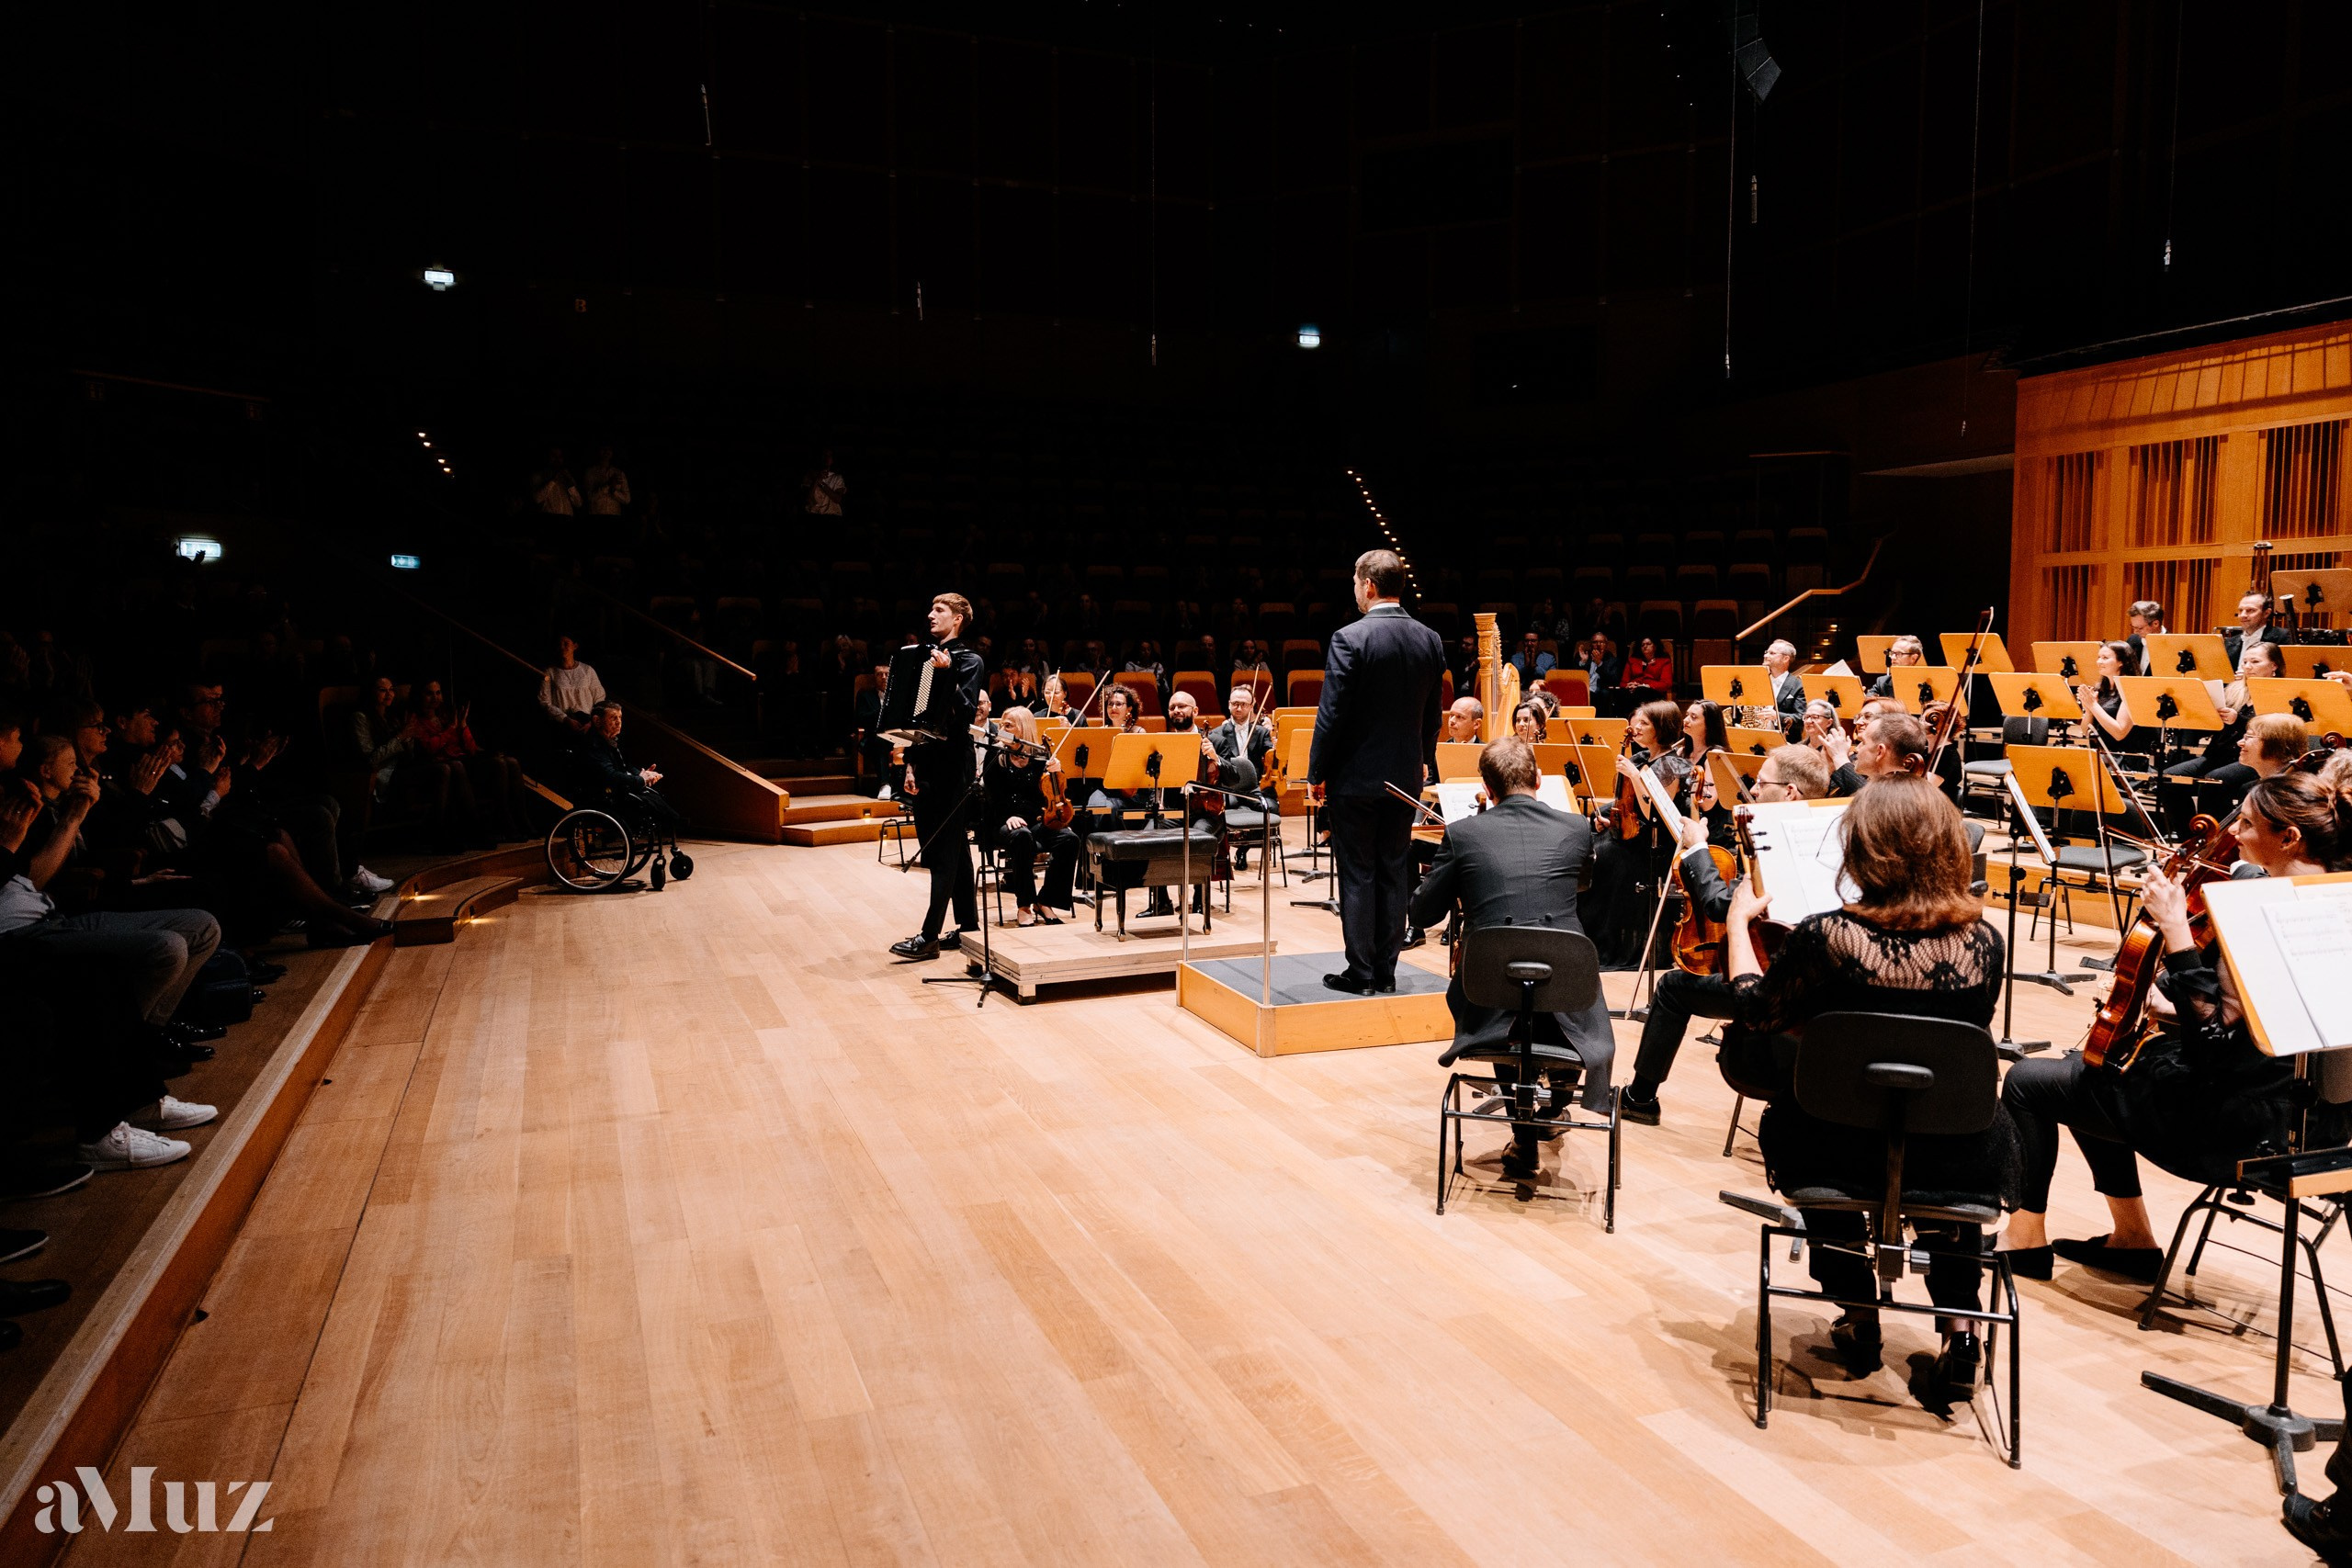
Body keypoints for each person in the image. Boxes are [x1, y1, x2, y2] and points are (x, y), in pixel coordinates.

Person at [1998, 771, 2352, 1287]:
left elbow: (2215, 1050)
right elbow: (2257, 1021)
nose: (2233, 835)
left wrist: (2176, 931)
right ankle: (2132, 1240)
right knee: (2091, 1068)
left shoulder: (2264, 911)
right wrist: (2170, 1005)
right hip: (2324, 1123)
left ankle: (2024, 1242)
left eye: (2247, 824)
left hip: (2240, 1131)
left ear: (2289, 837)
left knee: (2029, 1081)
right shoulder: (2334, 901)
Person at [1723, 777, 2014, 1396]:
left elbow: (1754, 1010)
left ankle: (1859, 1314)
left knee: (1803, 1114)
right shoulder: (1986, 944)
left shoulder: (1825, 937)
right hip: (1954, 1150)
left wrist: (1737, 926)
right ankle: (1962, 1327)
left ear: (1862, 849)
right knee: (1954, 1133)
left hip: (1835, 1146)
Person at [1408, 738, 1617, 1180]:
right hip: (1568, 989)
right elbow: (1582, 884)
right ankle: (1555, 1107)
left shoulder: (1463, 834)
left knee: (1500, 979)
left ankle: (1524, 1136)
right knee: (1551, 974)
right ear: (1538, 779)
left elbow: (1423, 914)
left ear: (1486, 787)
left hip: (1490, 995)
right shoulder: (1577, 828)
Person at [1618, 742, 1830, 1125]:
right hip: (1825, 988)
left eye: (1761, 783)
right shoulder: (1830, 836)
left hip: (1776, 990)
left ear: (1789, 792)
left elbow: (1721, 907)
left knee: (1672, 989)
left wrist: (1698, 848)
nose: (1753, 790)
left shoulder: (1775, 844)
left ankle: (1640, 1099)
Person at [1305, 550, 1447, 996]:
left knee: (1358, 872)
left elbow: (1332, 714)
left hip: (1356, 778)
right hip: (1405, 777)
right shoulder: (1430, 639)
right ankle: (1386, 972)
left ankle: (1362, 973)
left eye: (1355, 582)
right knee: (1393, 870)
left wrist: (1316, 771)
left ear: (1368, 585)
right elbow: (1433, 715)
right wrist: (1423, 759)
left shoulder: (1350, 638)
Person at [889, 594, 986, 962]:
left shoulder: (969, 660)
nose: (931, 615)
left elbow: (965, 714)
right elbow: (916, 719)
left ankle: (929, 936)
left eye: (940, 610)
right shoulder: (925, 658)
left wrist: (946, 675)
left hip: (952, 763)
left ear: (958, 619)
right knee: (953, 846)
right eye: (931, 609)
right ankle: (969, 927)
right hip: (926, 760)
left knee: (942, 850)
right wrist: (910, 763)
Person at [1581, 699, 1692, 967]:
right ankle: (1589, 942)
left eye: (1645, 723)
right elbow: (1626, 804)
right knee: (1588, 849)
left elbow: (1654, 810)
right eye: (1636, 721)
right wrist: (1608, 819)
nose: (1636, 727)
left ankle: (1610, 945)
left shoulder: (1673, 764)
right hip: (1632, 836)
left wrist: (1634, 775)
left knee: (1601, 859)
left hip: (1654, 845)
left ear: (1661, 728)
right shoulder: (1642, 758)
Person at [2158, 637, 2282, 834]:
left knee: (2214, 781)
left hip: (2253, 758)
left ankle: (2215, 840)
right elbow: (2214, 729)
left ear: (2274, 665)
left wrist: (2238, 720)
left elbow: (2272, 732)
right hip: (2219, 754)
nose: (2248, 666)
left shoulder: (2279, 693)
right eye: (2245, 662)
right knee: (2169, 778)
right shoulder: (2233, 690)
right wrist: (2203, 716)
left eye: (2255, 662)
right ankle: (2189, 838)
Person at [982, 707, 1077, 927]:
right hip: (1002, 822)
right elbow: (990, 796)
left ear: (1024, 729)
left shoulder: (1040, 756)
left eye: (1008, 725)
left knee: (1070, 840)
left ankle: (1045, 900)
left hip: (1036, 820)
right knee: (1022, 836)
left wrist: (1057, 770)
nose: (1002, 729)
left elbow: (1053, 790)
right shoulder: (995, 754)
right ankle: (1024, 905)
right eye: (1002, 724)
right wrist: (1007, 817)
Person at [2074, 640, 2153, 757]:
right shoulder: (2101, 689)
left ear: (2121, 662)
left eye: (2105, 658)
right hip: (2102, 754)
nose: (2099, 662)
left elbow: (2119, 733)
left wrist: (2093, 705)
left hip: (2125, 758)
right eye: (2099, 657)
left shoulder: (2131, 690)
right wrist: (2089, 710)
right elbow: (2086, 732)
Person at [538, 634, 606, 734]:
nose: (562, 647)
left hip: (587, 724)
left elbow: (599, 697)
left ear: (575, 646)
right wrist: (565, 719)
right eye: (559, 645)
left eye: (566, 644)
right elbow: (544, 701)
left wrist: (591, 722)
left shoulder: (587, 670)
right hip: (562, 725)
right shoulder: (550, 672)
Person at [2222, 589, 2281, 671]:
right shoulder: (2229, 643)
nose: (2243, 615)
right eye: (2241, 610)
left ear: (2266, 613)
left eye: (2250, 610)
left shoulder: (2282, 638)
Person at [1763, 638, 1807, 728]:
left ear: (1785, 659)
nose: (1766, 656)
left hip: (1784, 736)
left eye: (1772, 653)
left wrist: (1777, 716)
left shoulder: (1798, 686)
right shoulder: (1759, 681)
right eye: (1766, 652)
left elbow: (1801, 718)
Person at [1864, 635, 1925, 699]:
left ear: (1913, 658)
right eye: (1892, 653)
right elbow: (1867, 701)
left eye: (1899, 654)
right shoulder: (1882, 682)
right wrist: (1861, 696)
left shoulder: (1924, 684)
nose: (1893, 657)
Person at [583, 445, 631, 517]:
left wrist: (614, 491)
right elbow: (590, 498)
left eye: (609, 449)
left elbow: (627, 499)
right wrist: (608, 485)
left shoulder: (619, 473)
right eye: (603, 448)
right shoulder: (590, 472)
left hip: (614, 515)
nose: (606, 452)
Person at [1621, 636, 1673, 700]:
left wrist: (1645, 686)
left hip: (1653, 692)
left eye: (1648, 644)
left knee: (1641, 692)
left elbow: (1666, 684)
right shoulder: (1632, 661)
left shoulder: (1664, 662)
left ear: (1655, 646)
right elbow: (1623, 683)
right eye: (1642, 645)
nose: (1645, 646)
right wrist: (1629, 686)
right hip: (1633, 692)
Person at [2123, 600, 2166, 675]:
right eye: (2133, 627)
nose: (2135, 632)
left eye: (2140, 628)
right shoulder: (2132, 640)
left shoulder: (2172, 644)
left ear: (2155, 624)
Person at [803, 448, 846, 518]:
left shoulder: (837, 478)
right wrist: (816, 479)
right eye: (824, 455)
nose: (827, 458)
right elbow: (807, 498)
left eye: (829, 455)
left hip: (832, 516)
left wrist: (822, 484)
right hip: (812, 515)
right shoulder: (809, 475)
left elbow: (837, 499)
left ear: (833, 459)